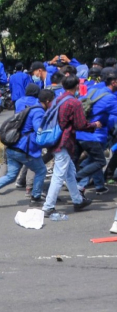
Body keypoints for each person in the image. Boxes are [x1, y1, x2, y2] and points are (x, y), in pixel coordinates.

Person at [0, 90, 53, 209]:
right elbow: (38, 130)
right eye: (52, 101)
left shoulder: (31, 107)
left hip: (13, 147)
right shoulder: (38, 112)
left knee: (11, 176)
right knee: (41, 170)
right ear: (47, 101)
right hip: (24, 149)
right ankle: (35, 198)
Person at [41, 75, 101, 217]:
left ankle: (78, 200)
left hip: (55, 140)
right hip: (65, 141)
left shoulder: (58, 99)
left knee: (69, 172)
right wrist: (94, 125)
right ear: (77, 86)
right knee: (58, 175)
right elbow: (81, 124)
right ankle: (48, 207)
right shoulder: (74, 102)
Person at [75, 69, 117, 195]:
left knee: (94, 159)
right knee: (96, 161)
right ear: (114, 82)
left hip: (80, 132)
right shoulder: (109, 98)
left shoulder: (93, 90)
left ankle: (99, 185)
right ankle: (78, 182)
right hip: (95, 135)